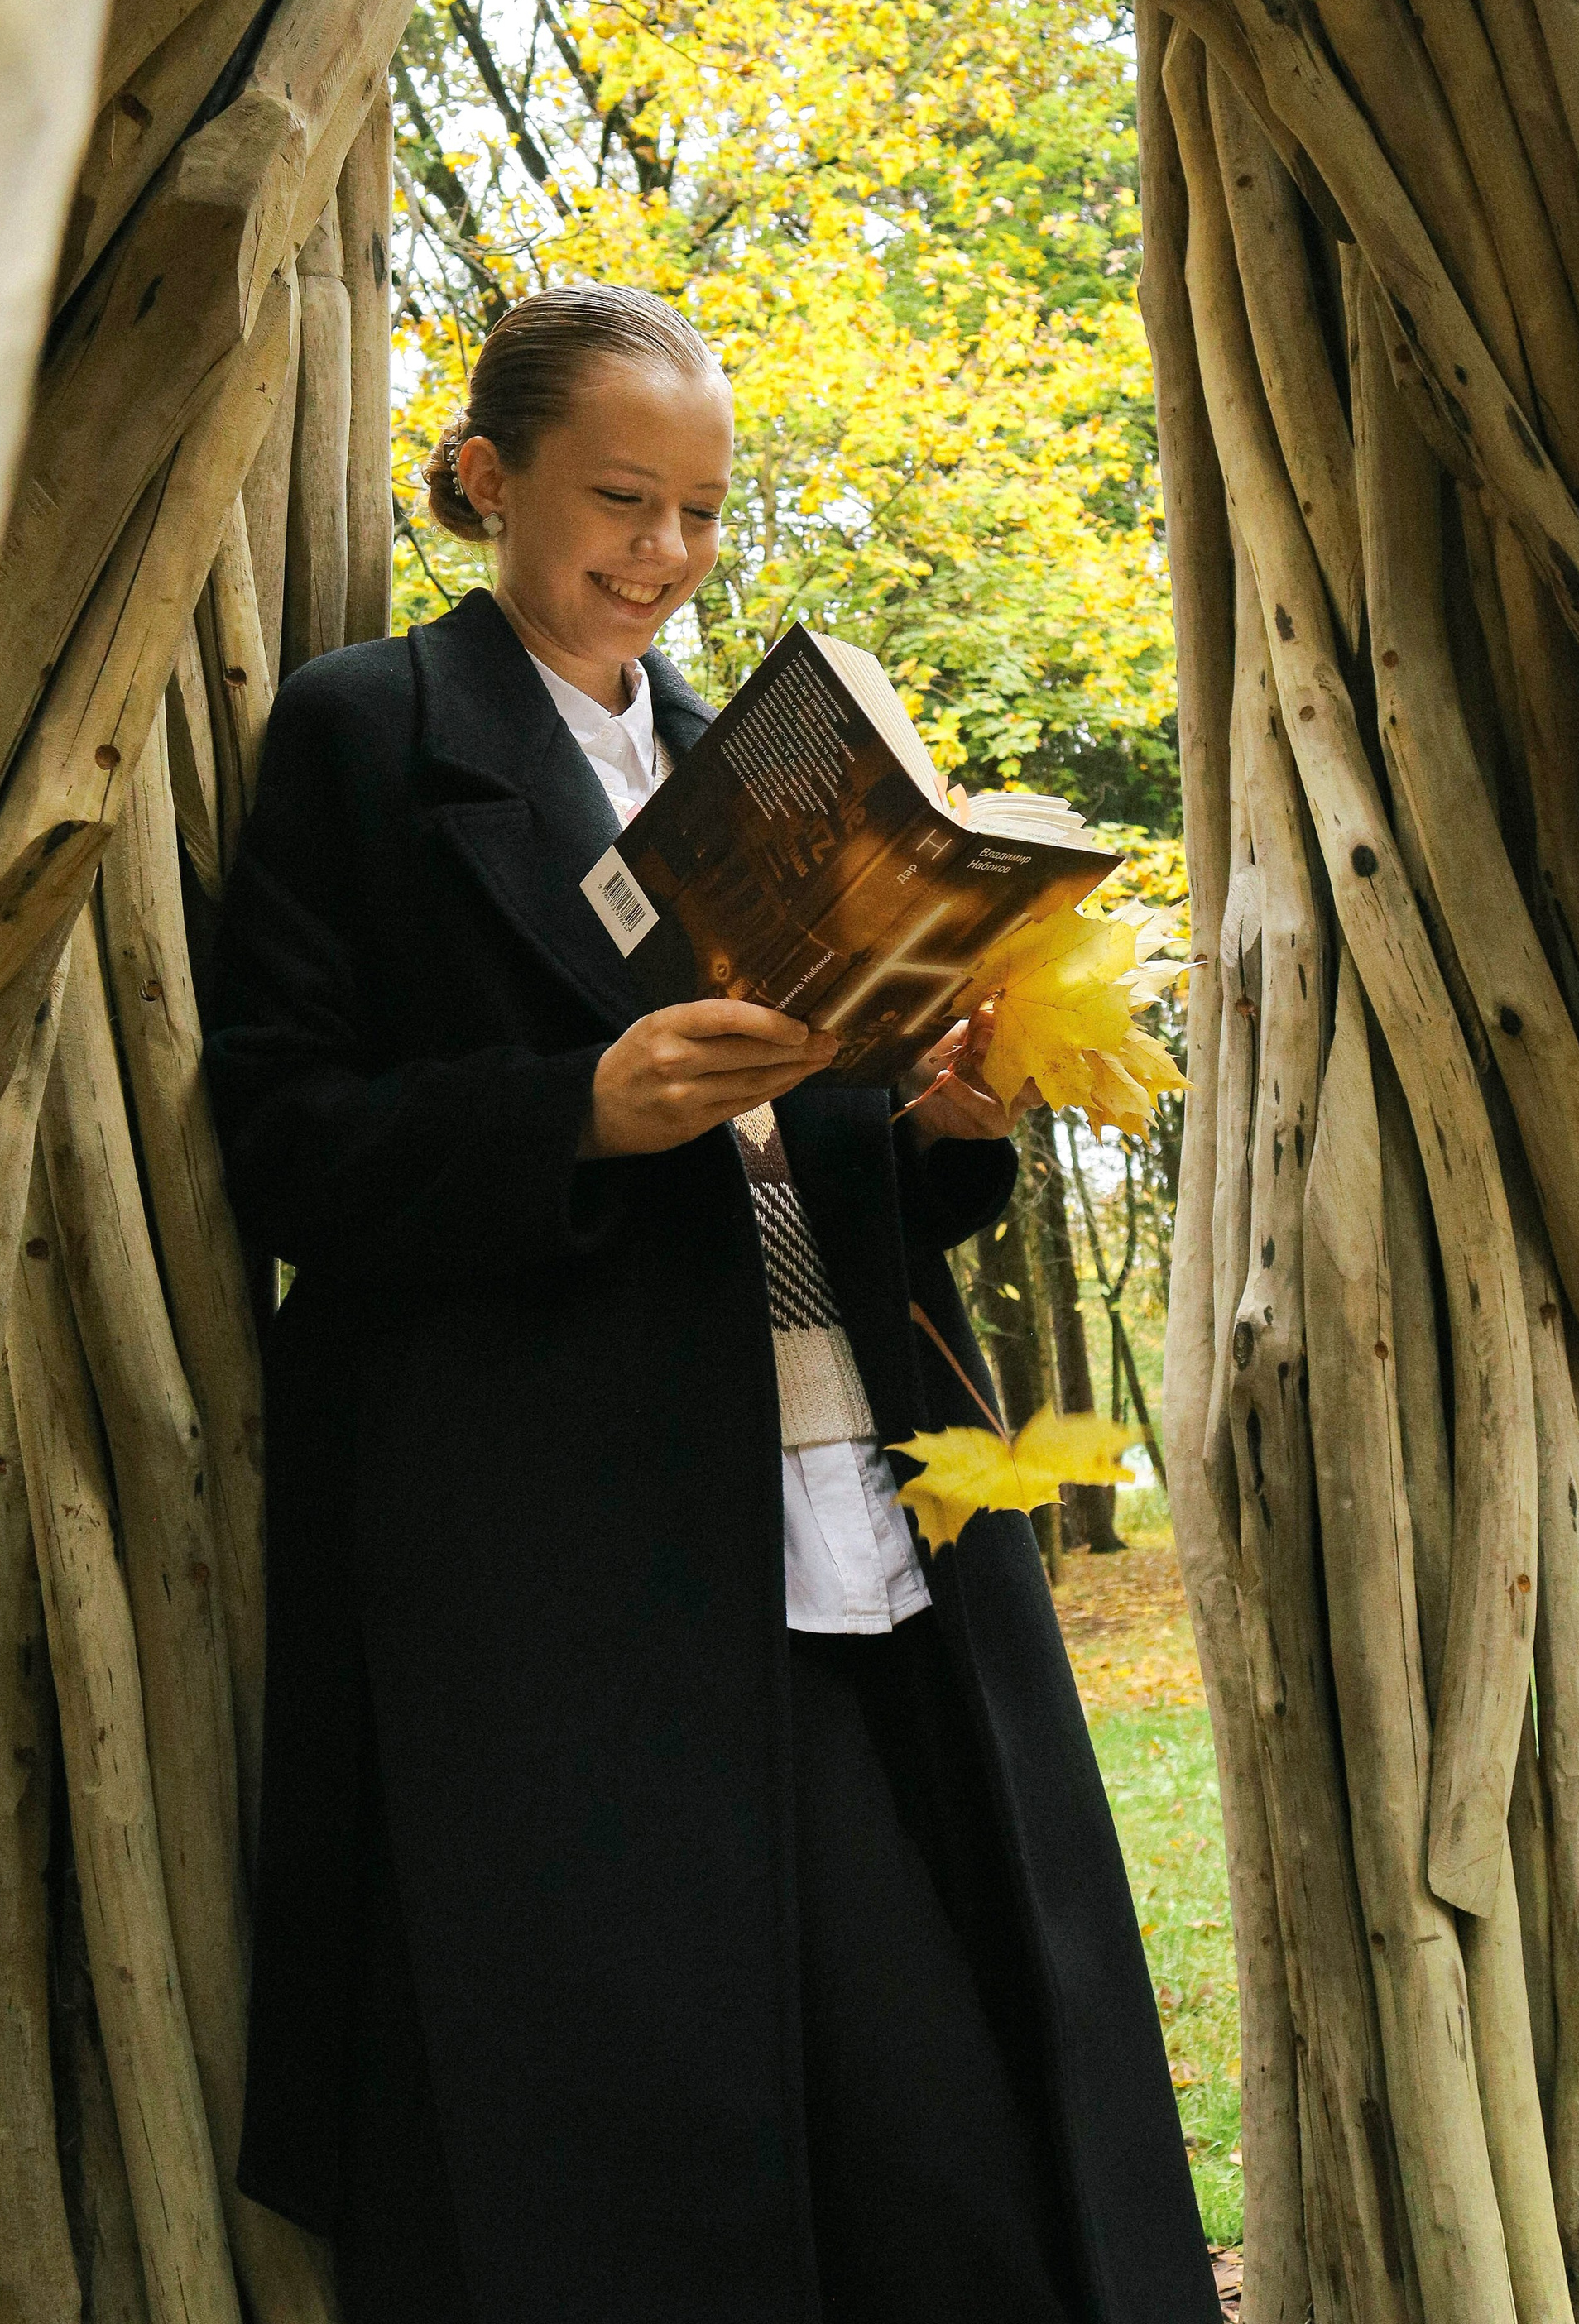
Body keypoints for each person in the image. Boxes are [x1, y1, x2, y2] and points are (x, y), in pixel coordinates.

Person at [204, 283, 1217, 2323]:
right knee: (642, 2148)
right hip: (573, 1547)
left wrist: (941, 1113)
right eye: (616, 500)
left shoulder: (744, 763)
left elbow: (829, 1160)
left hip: (874, 1510)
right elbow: (283, 1136)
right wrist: (573, 1109)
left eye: (697, 512)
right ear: (486, 479)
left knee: (970, 2143)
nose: (660, 558)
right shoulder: (369, 731)